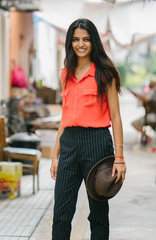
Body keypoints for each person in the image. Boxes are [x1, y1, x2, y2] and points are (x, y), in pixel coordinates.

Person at [50, 18, 126, 240]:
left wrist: (119, 158)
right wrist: (55, 155)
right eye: (75, 39)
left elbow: (116, 116)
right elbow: (64, 118)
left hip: (97, 144)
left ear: (94, 42)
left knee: (98, 213)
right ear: (69, 42)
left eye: (86, 39)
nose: (80, 44)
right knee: (61, 213)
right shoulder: (66, 74)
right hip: (70, 144)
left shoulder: (105, 74)